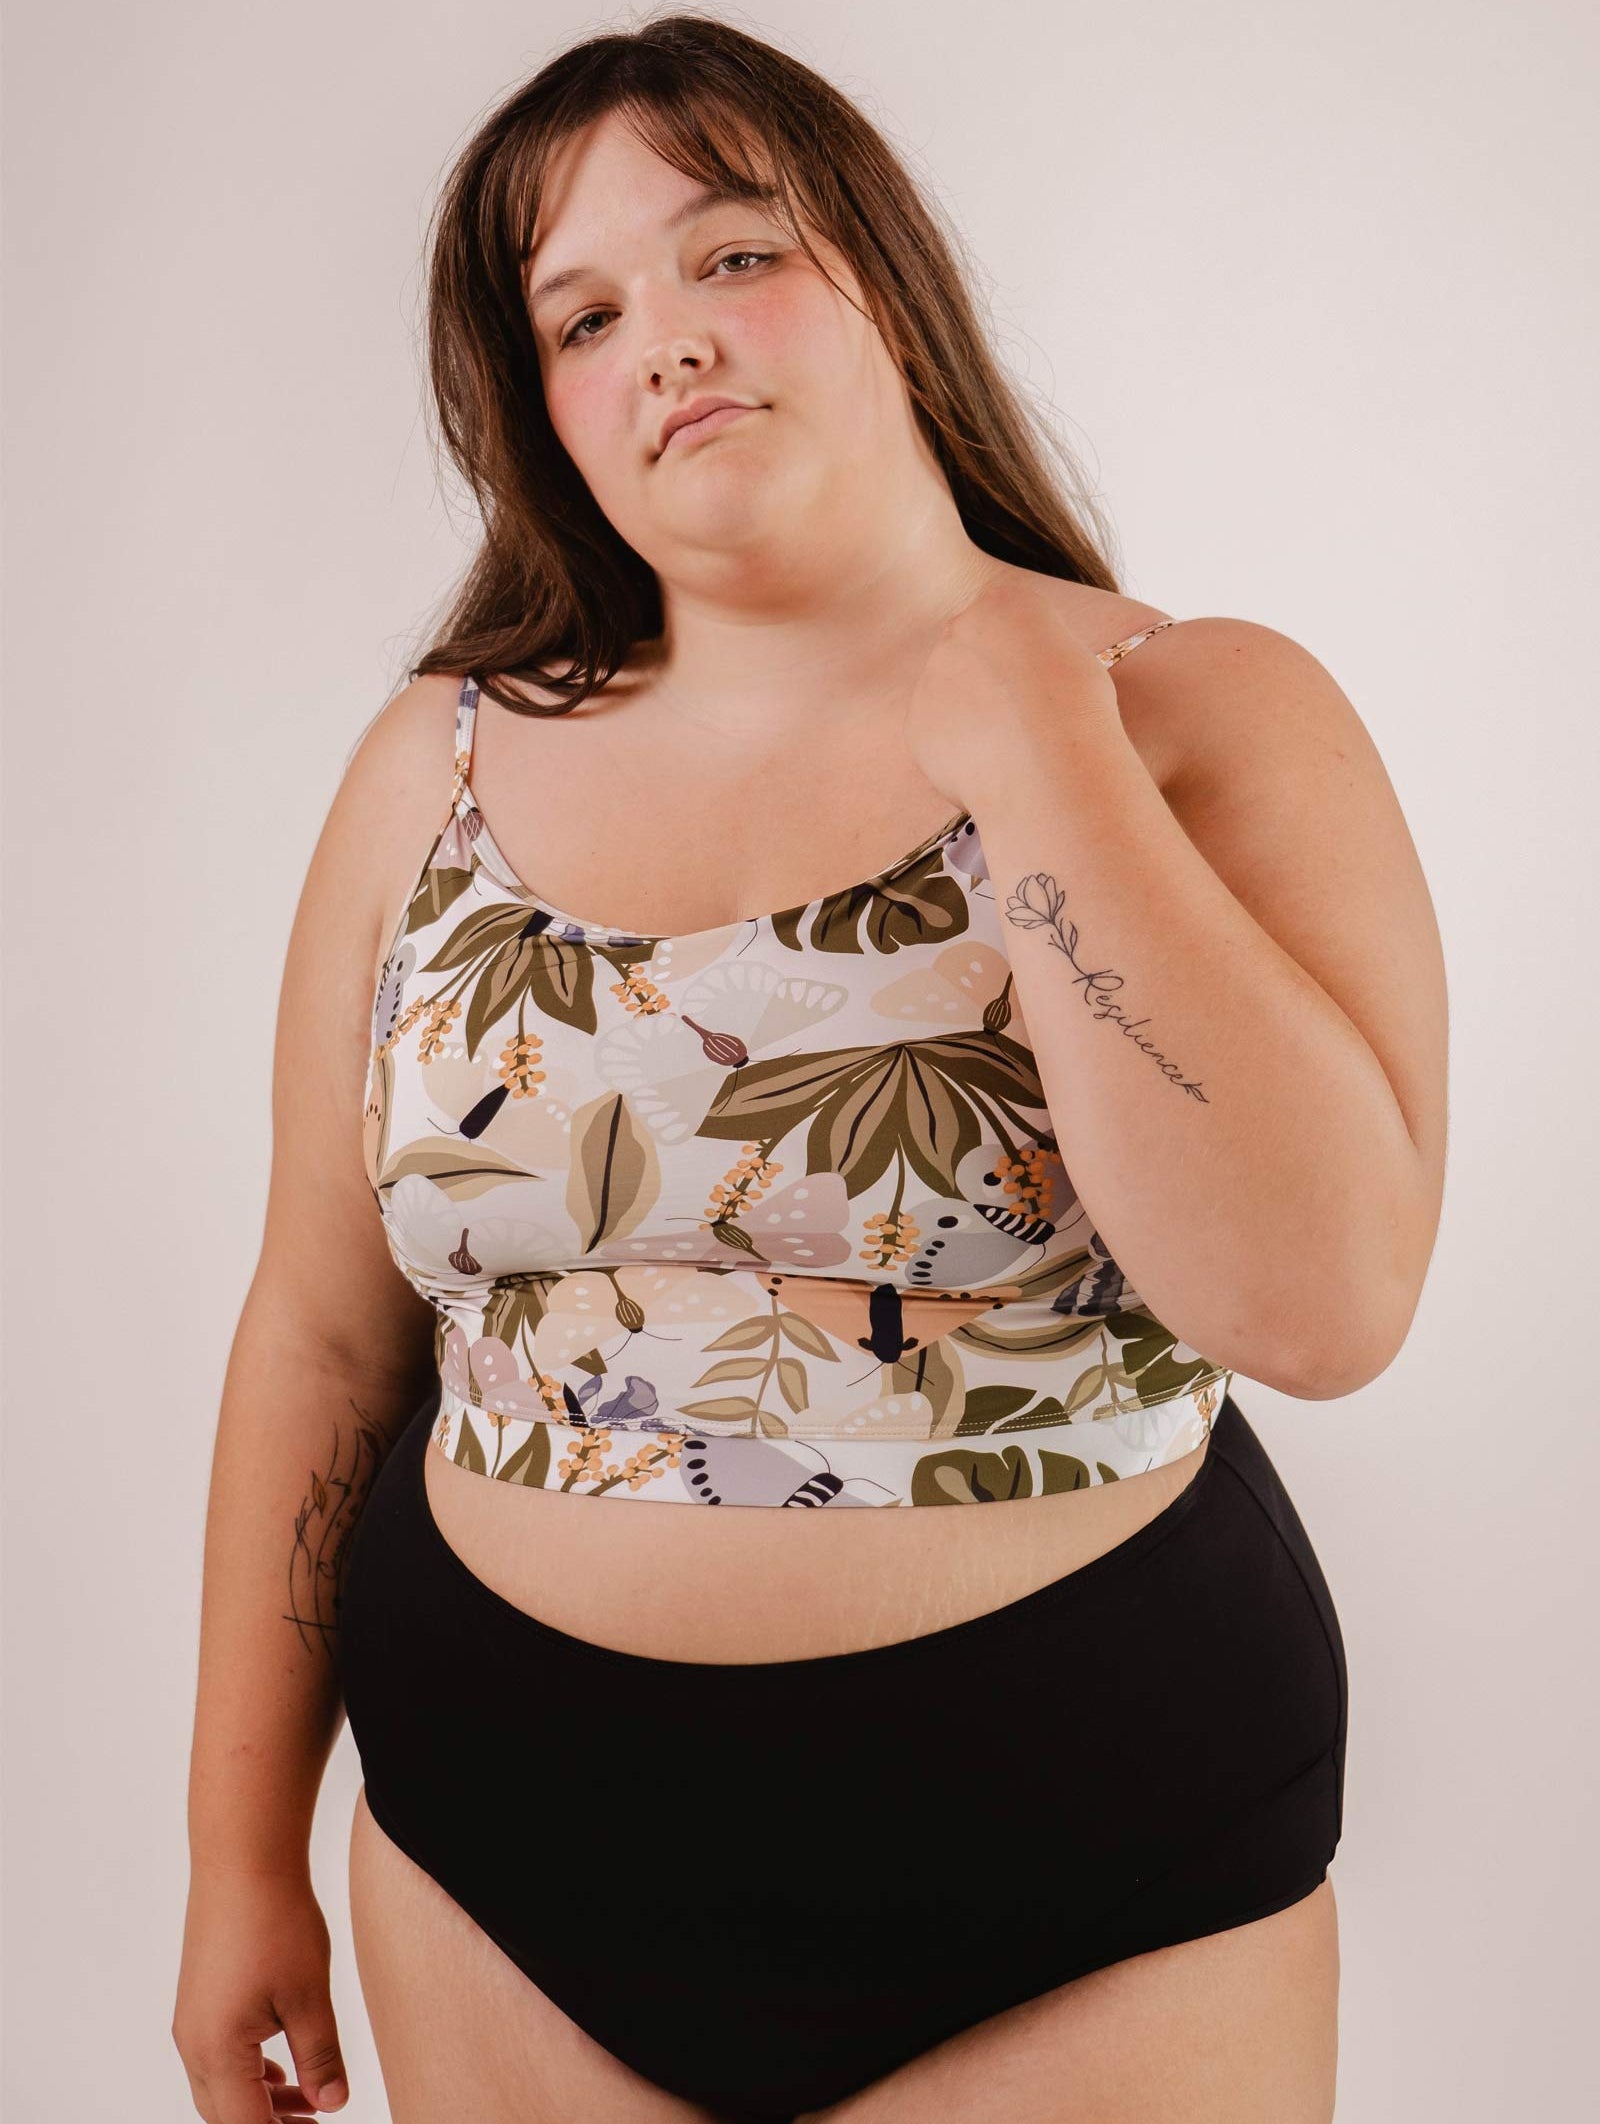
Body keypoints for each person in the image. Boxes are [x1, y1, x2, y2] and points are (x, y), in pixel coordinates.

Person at [173, 15, 1448, 2124]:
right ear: (542, 414)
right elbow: (320, 1339)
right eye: (581, 315)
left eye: (730, 255)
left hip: (1085, 1886)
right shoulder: (440, 764)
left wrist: (1032, 741)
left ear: (881, 272)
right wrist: (236, 1866)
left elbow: (1317, 1307)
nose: (661, 337)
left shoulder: (1193, 710)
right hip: (490, 1868)